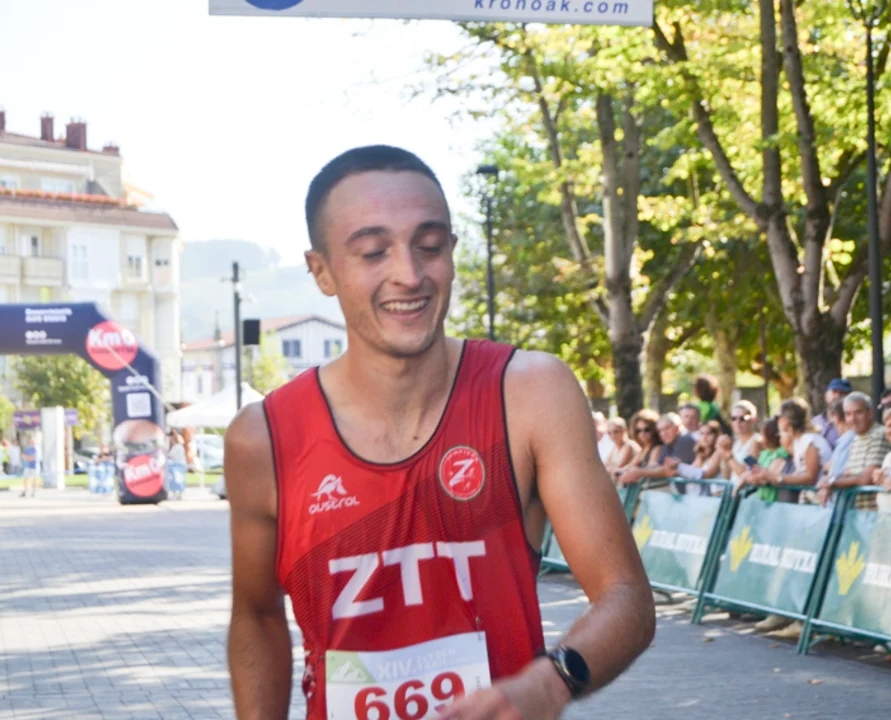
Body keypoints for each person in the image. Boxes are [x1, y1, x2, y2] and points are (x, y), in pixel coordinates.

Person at [225, 146, 654, 720]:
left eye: (429, 245)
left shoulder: (530, 393)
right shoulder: (263, 437)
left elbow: (626, 597)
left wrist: (552, 682)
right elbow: (256, 616)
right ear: (322, 271)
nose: (409, 274)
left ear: (452, 251)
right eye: (373, 252)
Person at [816, 392, 890, 509]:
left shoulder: (879, 435)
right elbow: (848, 475)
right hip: (857, 512)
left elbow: (866, 478)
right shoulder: (855, 438)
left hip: (875, 512)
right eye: (848, 414)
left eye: (858, 412)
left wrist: (830, 481)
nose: (853, 419)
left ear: (870, 413)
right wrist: (827, 482)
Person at [619, 412, 697, 491]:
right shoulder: (668, 445)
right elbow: (657, 466)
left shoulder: (684, 441)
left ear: (677, 428)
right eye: (660, 431)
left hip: (692, 493)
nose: (663, 433)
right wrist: (634, 471)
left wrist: (639, 472)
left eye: (667, 428)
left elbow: (669, 470)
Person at [723, 400, 762, 480]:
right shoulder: (736, 443)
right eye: (733, 418)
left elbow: (745, 474)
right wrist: (722, 453)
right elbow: (727, 475)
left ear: (752, 420)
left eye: (742, 418)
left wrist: (728, 454)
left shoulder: (757, 441)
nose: (737, 422)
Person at [812, 378, 851, 448]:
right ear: (826, 394)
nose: (837, 396)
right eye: (834, 391)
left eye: (842, 393)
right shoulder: (815, 421)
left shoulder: (850, 424)